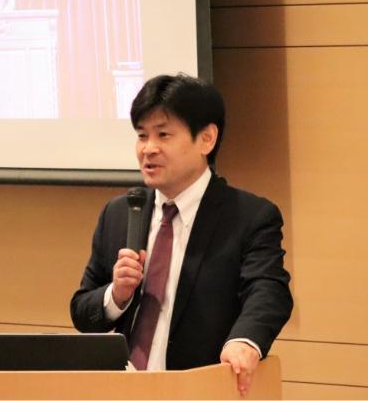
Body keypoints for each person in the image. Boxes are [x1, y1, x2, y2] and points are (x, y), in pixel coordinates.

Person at [70, 74, 293, 395]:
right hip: (124, 390)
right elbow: (83, 312)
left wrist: (244, 342)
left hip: (199, 391)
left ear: (206, 139)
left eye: (163, 135)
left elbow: (268, 291)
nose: (148, 149)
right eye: (142, 135)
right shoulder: (120, 212)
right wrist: (116, 295)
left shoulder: (249, 216)